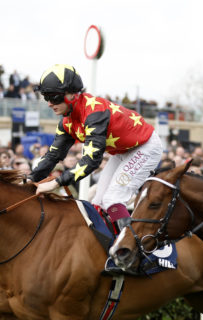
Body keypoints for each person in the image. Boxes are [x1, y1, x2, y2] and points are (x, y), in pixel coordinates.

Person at [31, 64, 163, 273]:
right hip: (124, 150)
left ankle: (138, 256)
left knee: (113, 198)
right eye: (46, 97)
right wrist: (28, 179)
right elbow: (52, 156)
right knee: (99, 201)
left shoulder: (94, 112)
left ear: (72, 94)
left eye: (54, 97)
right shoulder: (67, 121)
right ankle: (111, 249)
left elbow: (91, 161)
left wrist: (56, 183)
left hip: (146, 146)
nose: (49, 103)